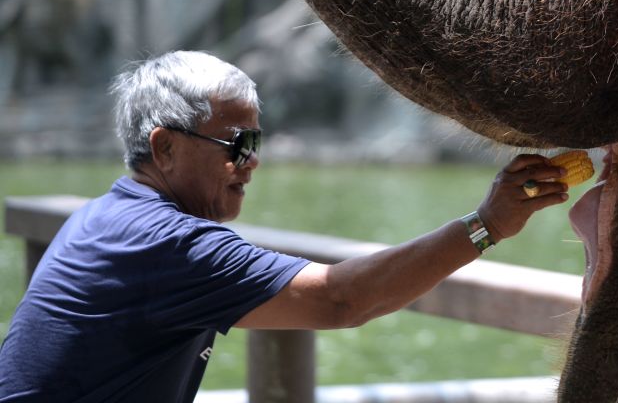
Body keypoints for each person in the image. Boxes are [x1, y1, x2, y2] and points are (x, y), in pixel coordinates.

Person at [0, 50, 568, 402]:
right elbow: (342, 300)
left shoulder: (111, 218)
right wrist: (486, 224)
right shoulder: (168, 242)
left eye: (256, 142)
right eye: (237, 144)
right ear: (165, 148)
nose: (251, 162)